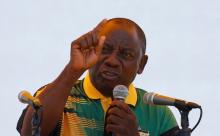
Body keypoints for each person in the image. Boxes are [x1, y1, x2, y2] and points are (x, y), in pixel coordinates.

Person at [17, 18, 180, 136]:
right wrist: (72, 71)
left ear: (142, 64)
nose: (112, 61)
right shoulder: (60, 94)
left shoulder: (158, 112)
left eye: (126, 54)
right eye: (105, 49)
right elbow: (29, 134)